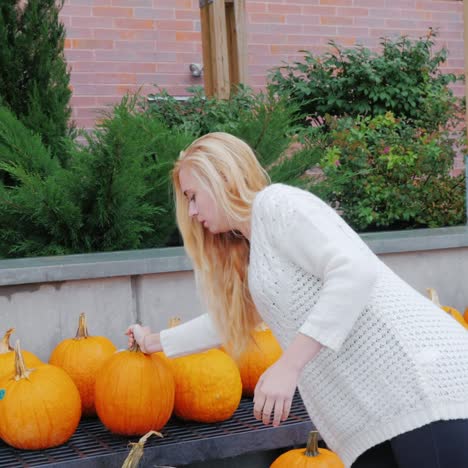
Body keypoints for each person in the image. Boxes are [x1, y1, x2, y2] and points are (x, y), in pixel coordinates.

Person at [126, 132, 468, 468]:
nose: (191, 210)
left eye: (193, 195)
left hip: (424, 381)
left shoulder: (278, 205)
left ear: (222, 179)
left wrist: (289, 366)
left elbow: (355, 270)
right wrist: (154, 342)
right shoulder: (251, 245)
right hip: (381, 410)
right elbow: (232, 318)